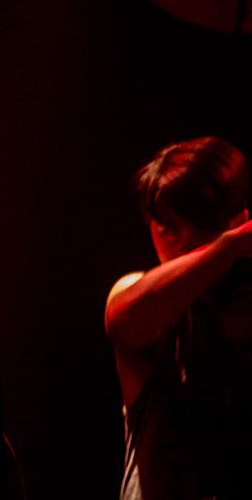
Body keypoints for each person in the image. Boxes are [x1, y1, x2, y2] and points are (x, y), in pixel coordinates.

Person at [105, 136, 252, 500]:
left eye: (200, 224)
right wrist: (228, 246)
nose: (184, 241)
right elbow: (123, 321)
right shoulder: (141, 294)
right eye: (168, 226)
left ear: (240, 218)